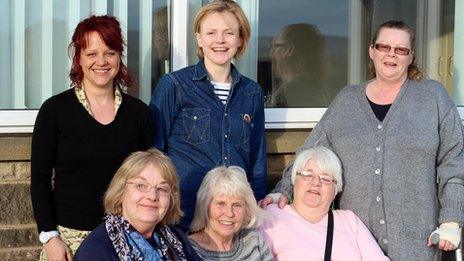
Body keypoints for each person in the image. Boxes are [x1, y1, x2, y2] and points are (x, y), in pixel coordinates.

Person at [261, 20, 464, 260]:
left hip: (418, 244)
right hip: (356, 245)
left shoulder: (433, 97)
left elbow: (454, 162)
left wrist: (452, 218)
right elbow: (310, 152)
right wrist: (283, 189)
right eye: (384, 47)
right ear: (371, 51)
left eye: (400, 49)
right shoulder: (347, 101)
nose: (391, 55)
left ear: (411, 57)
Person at [30, 15, 154, 260]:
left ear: (119, 56)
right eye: (91, 54)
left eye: (110, 52)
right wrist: (49, 237)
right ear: (78, 58)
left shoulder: (139, 113)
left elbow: (150, 179)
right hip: (69, 242)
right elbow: (40, 180)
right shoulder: (55, 111)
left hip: (126, 238)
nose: (102, 61)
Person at [150, 0, 267, 229]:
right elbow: (154, 153)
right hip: (184, 217)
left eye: (228, 33)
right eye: (211, 33)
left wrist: (257, 211)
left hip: (232, 221)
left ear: (240, 39)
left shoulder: (252, 93)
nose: (220, 41)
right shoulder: (174, 86)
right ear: (199, 39)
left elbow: (257, 162)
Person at [261, 147, 389, 260]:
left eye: (326, 178)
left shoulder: (349, 221)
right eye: (308, 174)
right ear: (294, 180)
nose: (316, 182)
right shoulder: (271, 216)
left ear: (335, 191)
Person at [74, 149, 200, 260]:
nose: (152, 196)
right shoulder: (96, 251)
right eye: (141, 186)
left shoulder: (177, 239)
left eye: (162, 189)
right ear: (121, 190)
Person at [188, 166, 273, 261]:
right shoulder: (189, 249)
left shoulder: (252, 239)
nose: (229, 214)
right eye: (221, 204)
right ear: (204, 206)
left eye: (237, 205)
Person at [267, 23, 329, 107]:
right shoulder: (317, 90)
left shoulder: (292, 90)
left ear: (288, 50)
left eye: (274, 46)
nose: (272, 53)